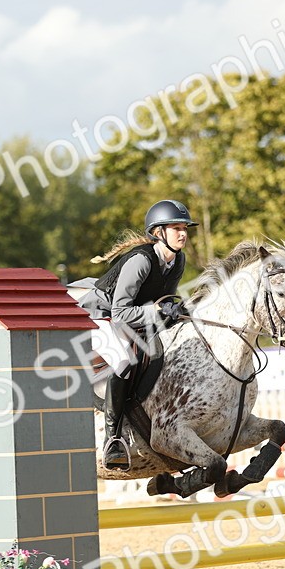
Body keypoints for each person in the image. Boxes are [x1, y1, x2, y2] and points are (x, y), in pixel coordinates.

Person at [78, 199, 195, 469]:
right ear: (158, 232)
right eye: (176, 228)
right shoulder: (141, 261)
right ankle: (113, 439)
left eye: (185, 228)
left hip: (131, 317)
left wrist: (175, 310)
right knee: (123, 361)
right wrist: (157, 312)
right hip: (99, 315)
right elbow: (120, 313)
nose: (183, 233)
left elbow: (162, 299)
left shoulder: (178, 259)